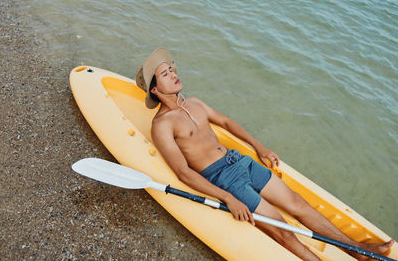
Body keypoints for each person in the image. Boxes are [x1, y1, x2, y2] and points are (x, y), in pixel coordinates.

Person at [136, 47, 394, 260]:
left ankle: (360, 252)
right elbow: (183, 172)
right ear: (155, 90)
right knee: (282, 228)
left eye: (172, 69)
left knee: (298, 203)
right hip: (224, 179)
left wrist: (259, 146)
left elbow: (225, 123)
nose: (173, 74)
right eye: (165, 74)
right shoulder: (162, 125)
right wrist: (228, 198)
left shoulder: (194, 102)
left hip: (239, 161)